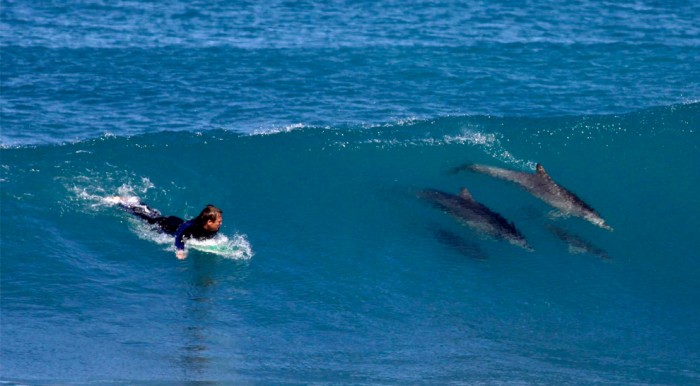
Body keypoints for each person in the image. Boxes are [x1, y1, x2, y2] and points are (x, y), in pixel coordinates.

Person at [119, 201, 223, 260]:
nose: (220, 223)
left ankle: (136, 203)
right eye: (218, 221)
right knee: (150, 218)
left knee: (154, 214)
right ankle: (124, 204)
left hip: (178, 221)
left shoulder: (212, 227)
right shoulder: (191, 226)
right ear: (209, 222)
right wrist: (180, 250)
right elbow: (179, 236)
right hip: (169, 225)